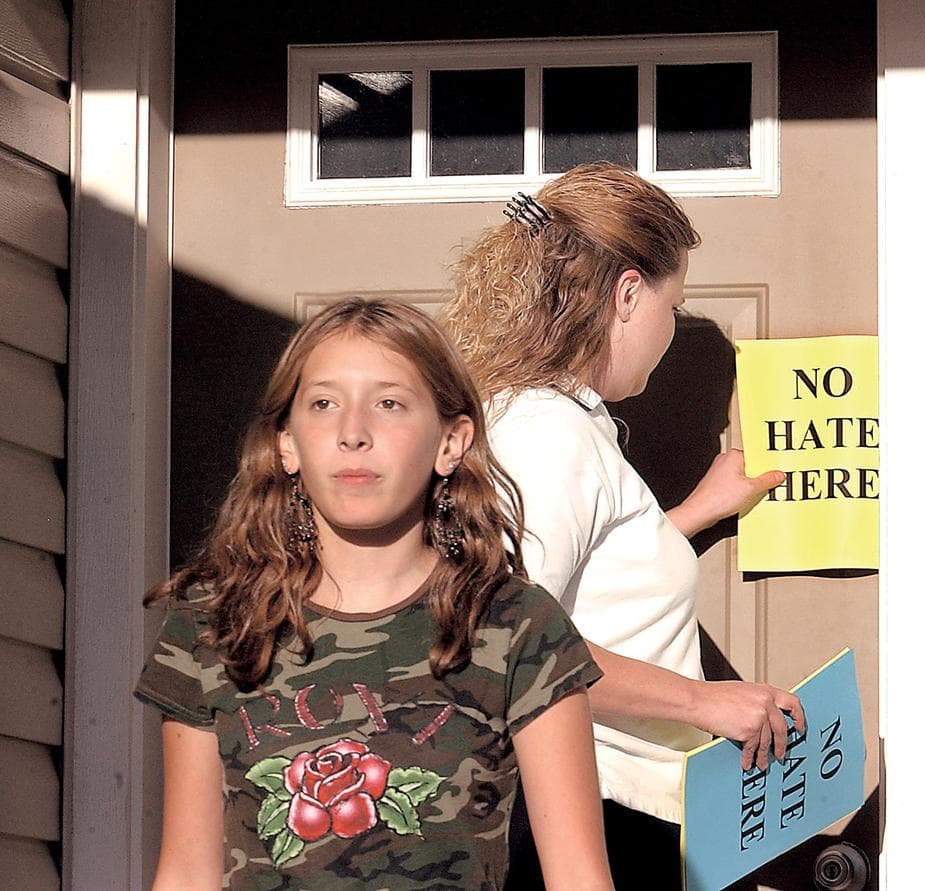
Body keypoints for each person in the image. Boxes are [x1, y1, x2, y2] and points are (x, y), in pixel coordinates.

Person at [135, 298, 614, 890]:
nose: (352, 433)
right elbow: (186, 872)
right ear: (287, 443)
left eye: (389, 404)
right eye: (324, 404)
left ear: (451, 441)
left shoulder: (515, 625)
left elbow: (578, 876)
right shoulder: (215, 624)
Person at [442, 163, 806, 889]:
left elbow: (574, 589)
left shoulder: (556, 422)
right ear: (629, 293)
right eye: (675, 305)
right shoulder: (548, 430)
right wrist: (708, 701)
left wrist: (690, 515)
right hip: (582, 812)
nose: (671, 330)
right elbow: (503, 640)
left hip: (604, 806)